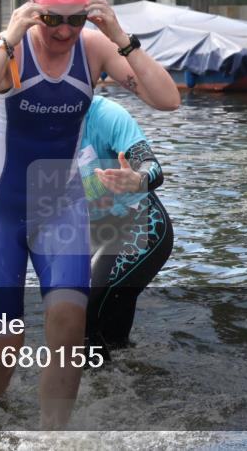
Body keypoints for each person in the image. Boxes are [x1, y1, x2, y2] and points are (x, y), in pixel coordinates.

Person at [0, 0, 180, 428]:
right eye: (53, 19)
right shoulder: (6, 48)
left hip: (58, 199)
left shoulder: (94, 48)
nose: (63, 32)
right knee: (6, 334)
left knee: (70, 322)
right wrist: (8, 40)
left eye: (74, 20)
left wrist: (121, 37)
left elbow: (167, 99)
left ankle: (53, 437)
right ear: (35, 10)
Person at [79, 95, 174, 358]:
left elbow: (152, 166)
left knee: (82, 313)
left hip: (141, 225)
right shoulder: (34, 121)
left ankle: (94, 397)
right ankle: (126, 385)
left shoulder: (103, 113)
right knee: (112, 339)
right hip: (94, 235)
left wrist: (137, 179)